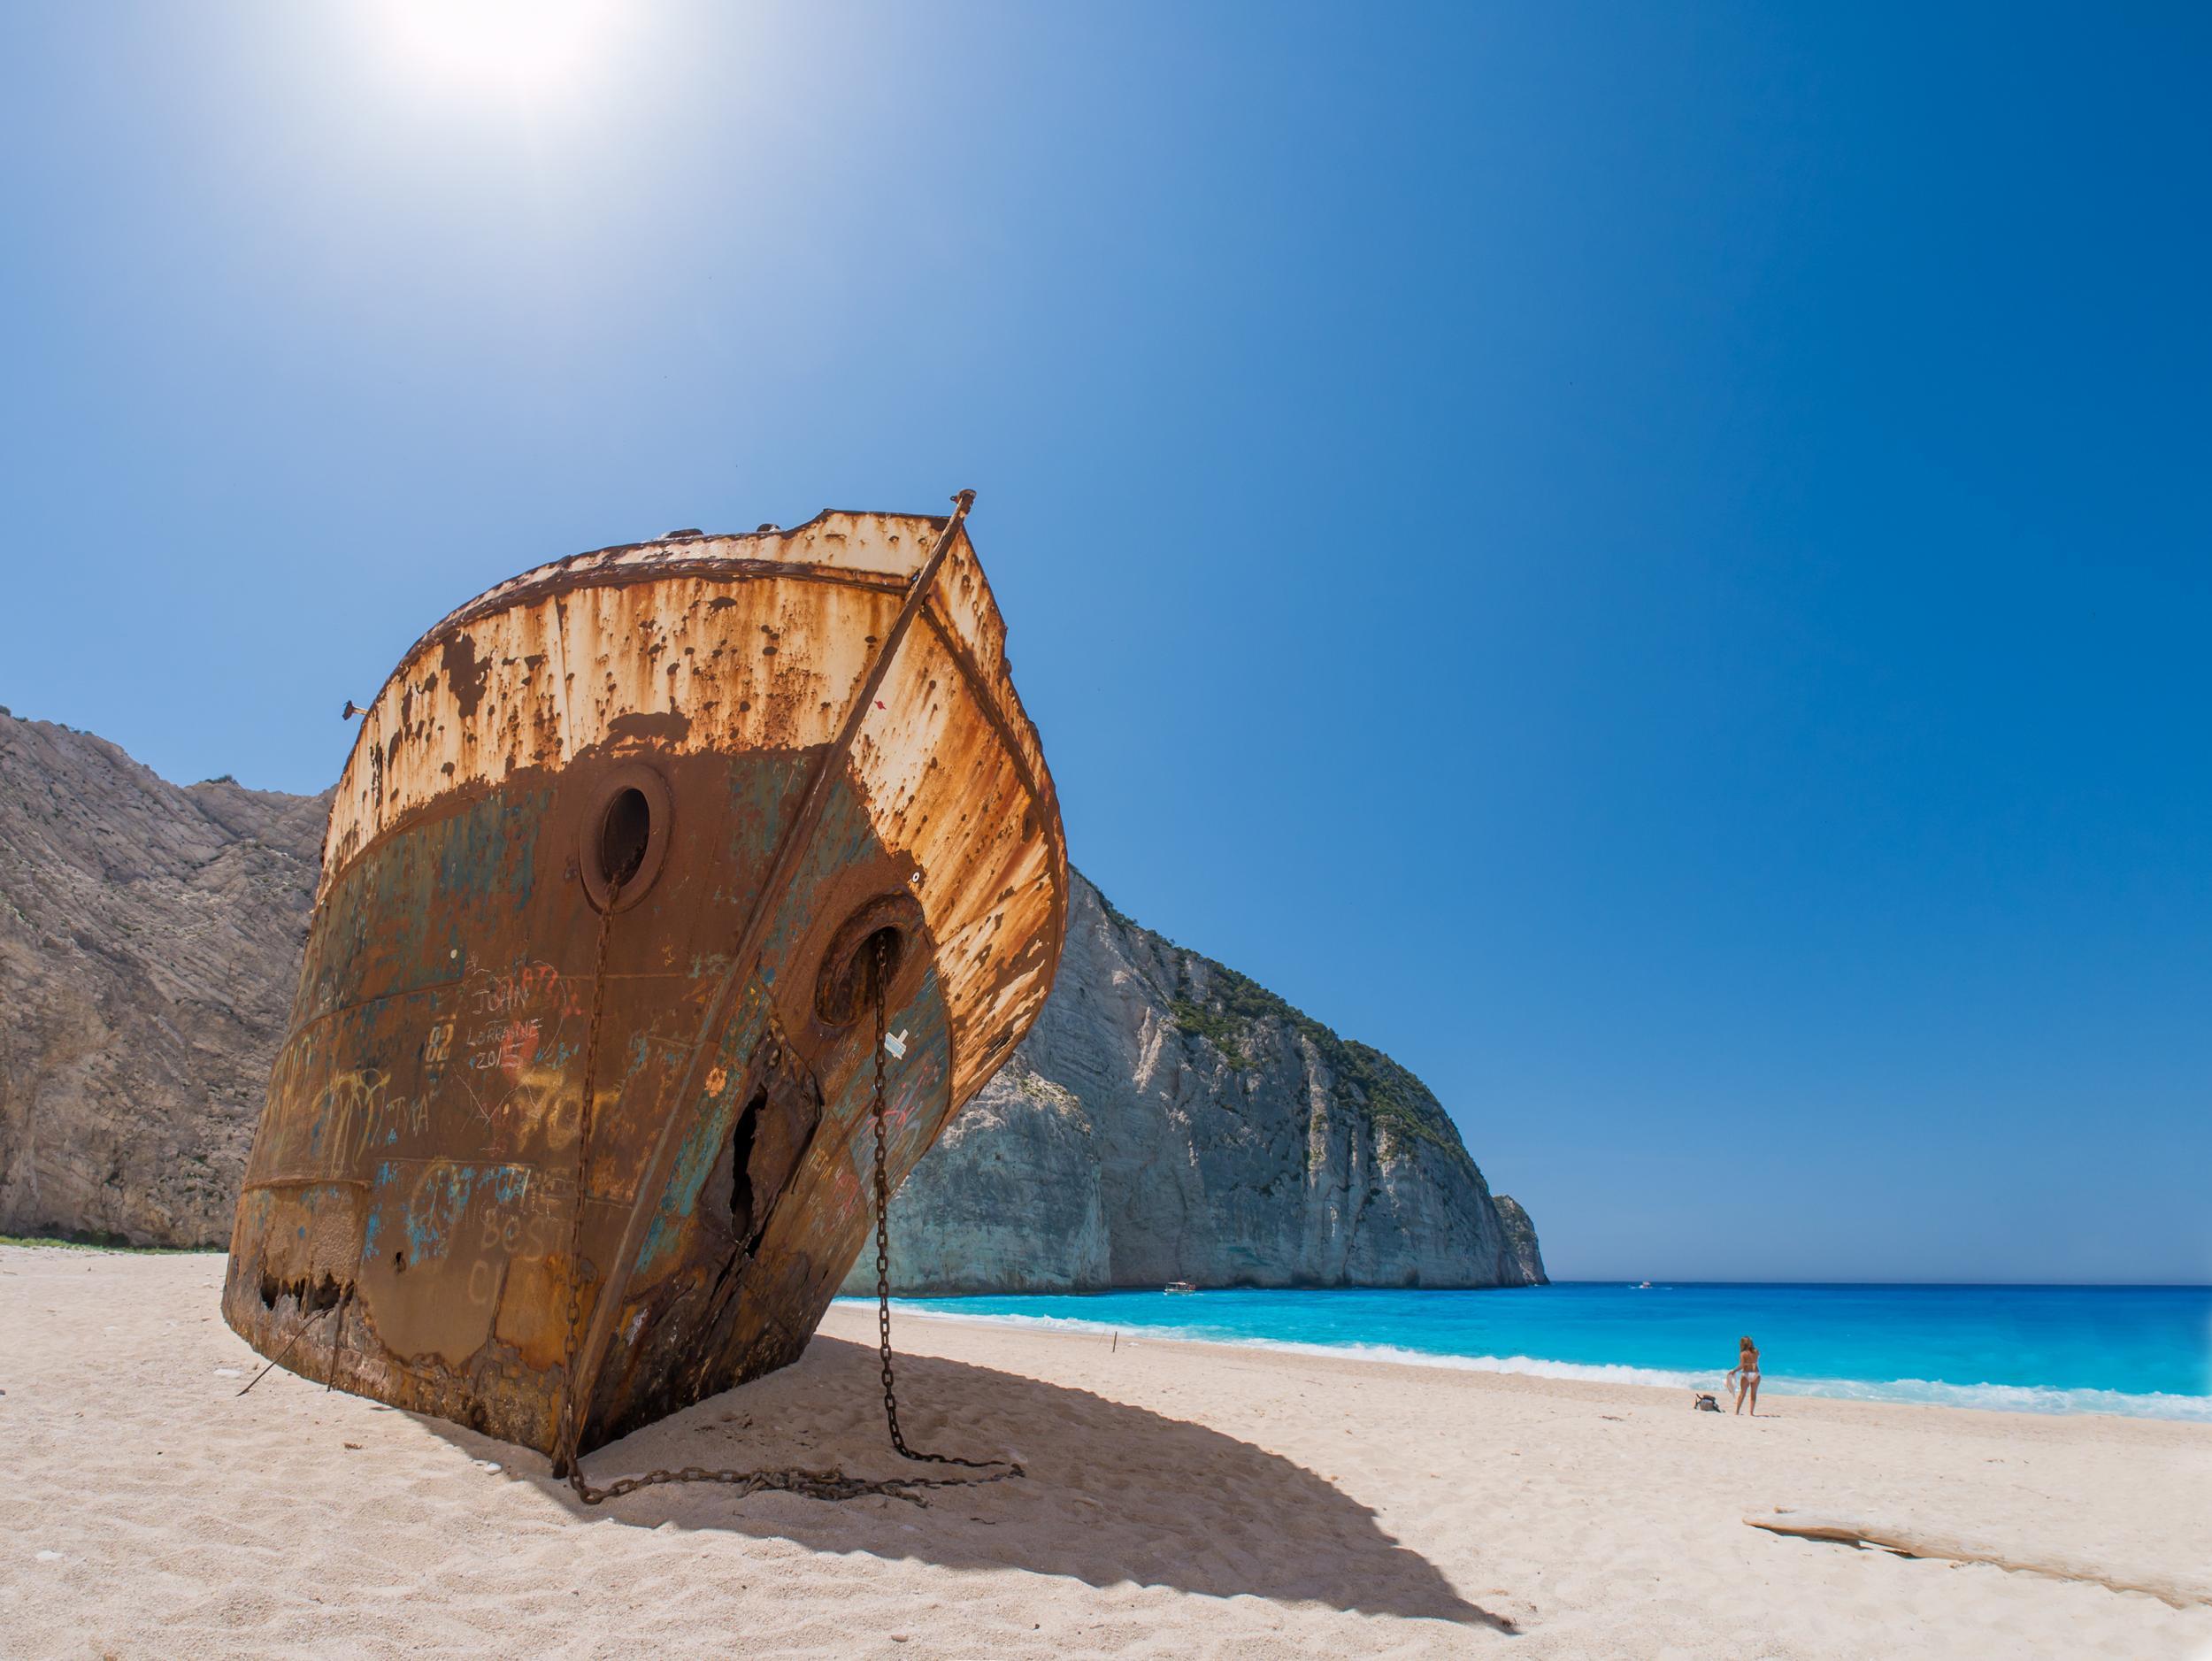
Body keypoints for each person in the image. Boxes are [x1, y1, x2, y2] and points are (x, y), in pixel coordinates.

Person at [1726, 1334, 1762, 1415]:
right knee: (1753, 1394)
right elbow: (1757, 1357)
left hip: (1746, 1374)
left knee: (1742, 1393)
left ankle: (1737, 1411)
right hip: (1756, 1374)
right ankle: (1751, 1413)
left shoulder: (1743, 1354)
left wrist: (1734, 1371)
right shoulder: (1756, 1351)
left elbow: (1741, 1366)